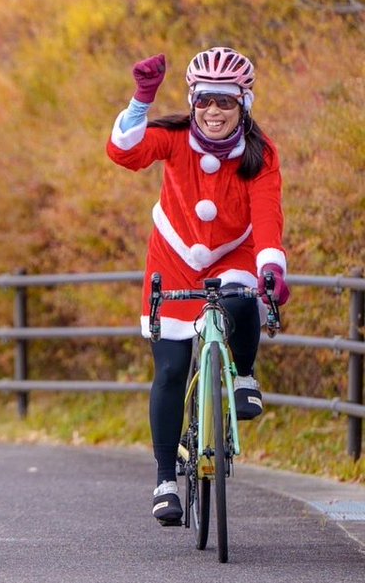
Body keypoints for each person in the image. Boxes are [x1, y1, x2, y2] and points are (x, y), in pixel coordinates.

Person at [107, 47, 290, 526]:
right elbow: (123, 152)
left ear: (244, 104)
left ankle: (244, 375)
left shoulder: (260, 154)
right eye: (205, 99)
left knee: (244, 296)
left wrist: (272, 267)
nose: (214, 111)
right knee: (169, 371)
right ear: (192, 100)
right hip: (172, 256)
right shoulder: (173, 137)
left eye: (226, 102)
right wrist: (143, 99)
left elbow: (268, 217)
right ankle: (166, 480)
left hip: (235, 251)